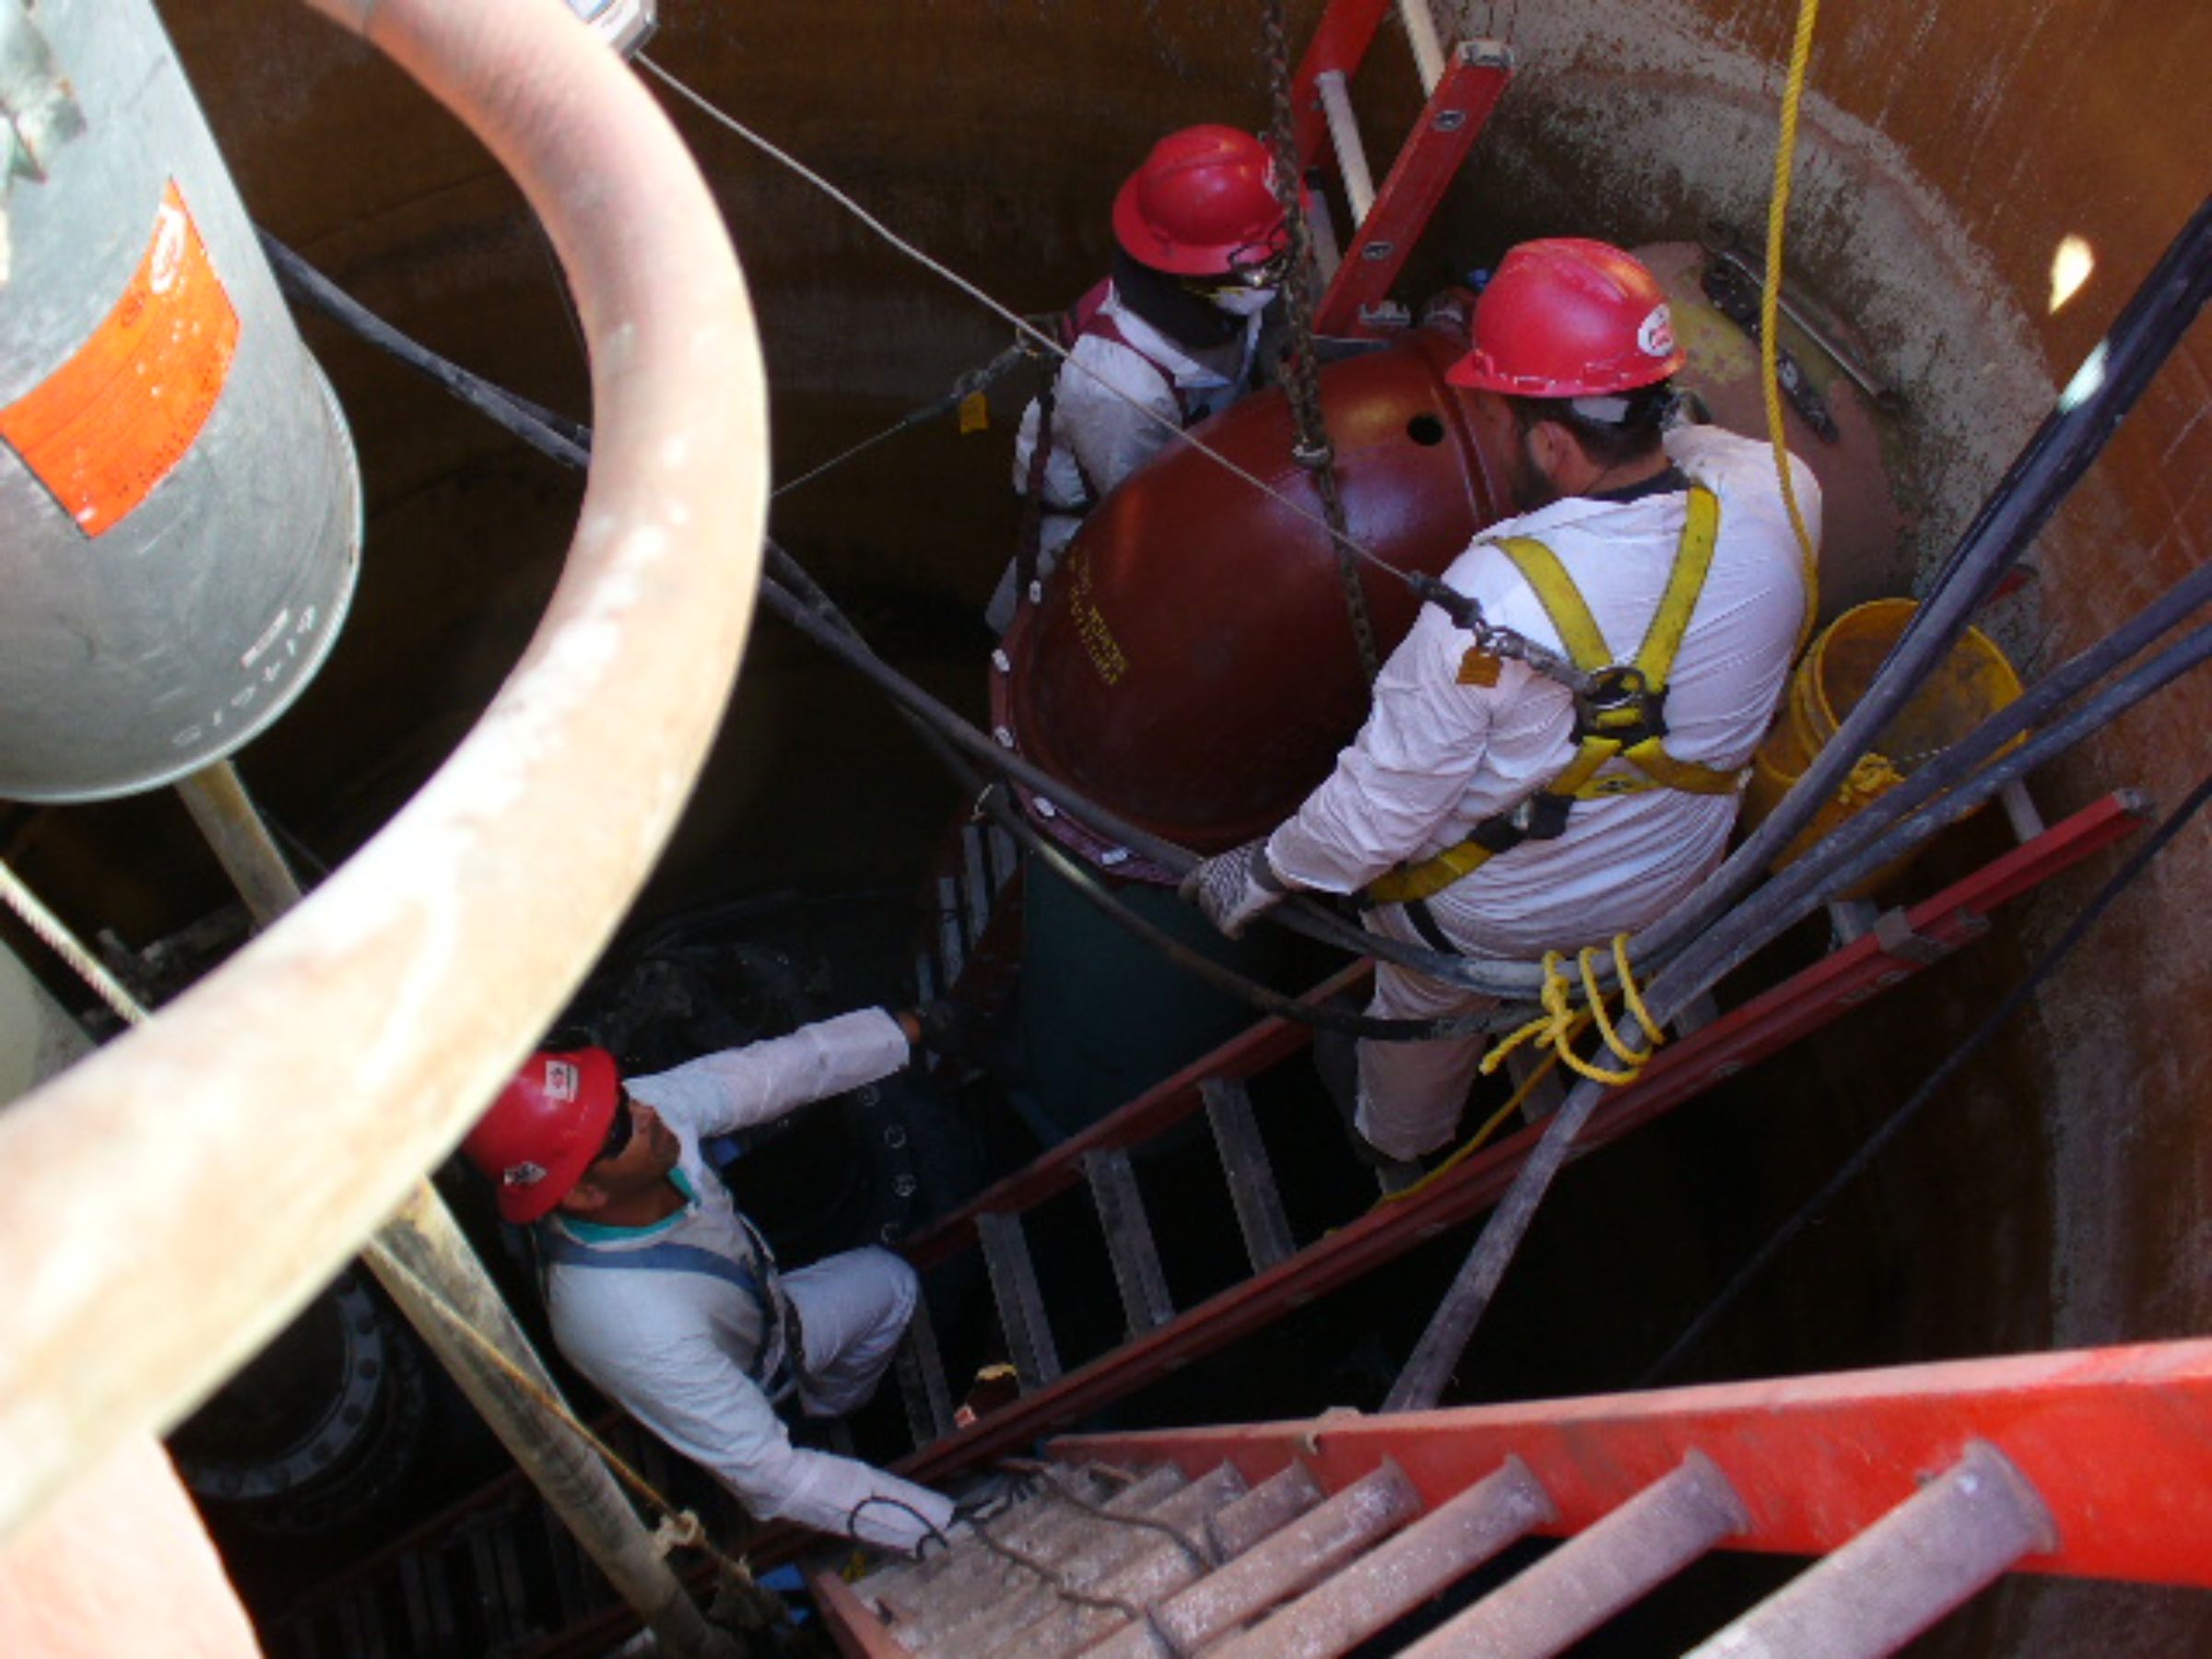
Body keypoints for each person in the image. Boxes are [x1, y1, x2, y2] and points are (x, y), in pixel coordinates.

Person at [1182, 238, 1818, 1172]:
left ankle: (1400, 1150)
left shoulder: (1498, 599)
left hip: (1501, 921)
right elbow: (1692, 455)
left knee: (1418, 1009)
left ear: (1552, 441)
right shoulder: (1781, 493)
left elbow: (1376, 815)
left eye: (1500, 416)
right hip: (1681, 872)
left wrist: (1266, 872)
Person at [462, 1005, 967, 1554]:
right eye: (618, 1126)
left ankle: (833, 1405)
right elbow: (776, 1480)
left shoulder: (645, 1116)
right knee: (780, 1446)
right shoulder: (619, 1321)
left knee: (892, 1283)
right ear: (583, 1194)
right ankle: (813, 1414)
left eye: (617, 1095)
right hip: (745, 1375)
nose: (644, 1111)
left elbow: (781, 1071)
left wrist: (908, 1029)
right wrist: (953, 1533)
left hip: (775, 1321)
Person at [989, 124, 1289, 633]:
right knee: (1036, 626)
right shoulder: (1122, 388)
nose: (1273, 280)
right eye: (1260, 271)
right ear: (1194, 270)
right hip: (1087, 529)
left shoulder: (1215, 296)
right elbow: (1136, 511)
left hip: (1185, 460)